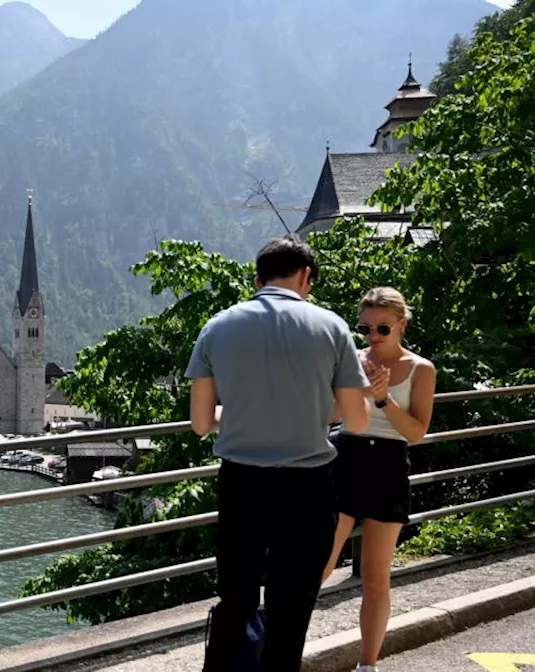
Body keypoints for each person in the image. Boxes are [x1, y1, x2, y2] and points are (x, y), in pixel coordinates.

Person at [187, 235, 371, 672]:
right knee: (290, 607)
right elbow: (358, 422)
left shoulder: (218, 326)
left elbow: (200, 422)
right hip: (307, 488)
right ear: (306, 276)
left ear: (257, 279)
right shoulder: (331, 327)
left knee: (236, 599)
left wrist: (238, 413)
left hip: (241, 483)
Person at [322, 287, 436, 672]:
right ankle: (279, 653)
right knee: (317, 566)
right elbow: (333, 415)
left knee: (375, 577)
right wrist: (357, 391)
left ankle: (367, 665)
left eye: (383, 328)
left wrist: (385, 398)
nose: (373, 337)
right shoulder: (353, 359)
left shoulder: (421, 369)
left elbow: (417, 432)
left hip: (388, 466)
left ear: (402, 324)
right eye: (367, 328)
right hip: (346, 457)